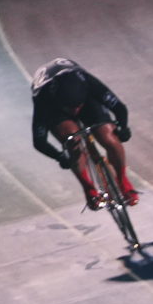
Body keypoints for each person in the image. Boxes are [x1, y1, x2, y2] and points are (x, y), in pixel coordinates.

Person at [29, 58, 135, 206]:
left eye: (78, 107)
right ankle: (88, 188)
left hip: (87, 101)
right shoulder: (43, 99)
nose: (76, 111)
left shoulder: (88, 83)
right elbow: (39, 142)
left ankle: (122, 179)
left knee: (108, 137)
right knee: (72, 140)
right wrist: (59, 157)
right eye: (71, 108)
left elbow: (119, 108)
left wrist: (121, 127)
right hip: (57, 110)